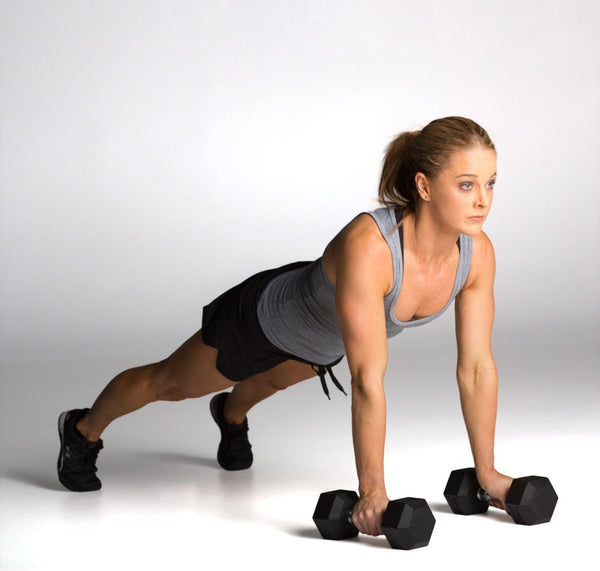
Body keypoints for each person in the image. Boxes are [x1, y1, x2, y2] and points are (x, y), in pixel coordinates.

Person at [57, 115, 513, 537]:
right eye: (467, 184)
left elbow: (476, 368)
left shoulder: (477, 255)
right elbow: (367, 379)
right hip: (264, 319)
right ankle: (82, 429)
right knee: (170, 384)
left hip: (321, 343)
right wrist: (372, 491)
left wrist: (488, 474)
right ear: (425, 186)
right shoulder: (371, 246)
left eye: (490, 183)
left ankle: (230, 415)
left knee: (270, 382)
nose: (483, 200)